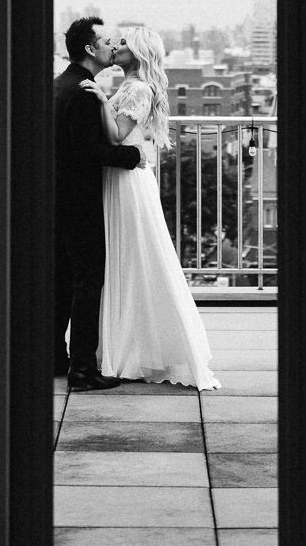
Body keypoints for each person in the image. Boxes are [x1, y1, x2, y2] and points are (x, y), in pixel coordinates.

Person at [93, 26, 220, 389]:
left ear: (138, 52)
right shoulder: (130, 85)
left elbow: (117, 134)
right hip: (121, 178)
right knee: (130, 261)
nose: (116, 47)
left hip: (126, 183)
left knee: (132, 259)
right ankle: (128, 345)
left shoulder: (136, 89)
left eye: (124, 44)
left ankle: (131, 348)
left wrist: (100, 99)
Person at [53, 16, 142, 392]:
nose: (112, 45)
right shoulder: (85, 94)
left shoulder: (61, 85)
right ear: (90, 49)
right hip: (80, 201)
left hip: (56, 198)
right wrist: (133, 155)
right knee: (88, 283)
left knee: (60, 280)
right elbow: (90, 151)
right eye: (106, 41)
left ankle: (55, 357)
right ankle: (83, 370)